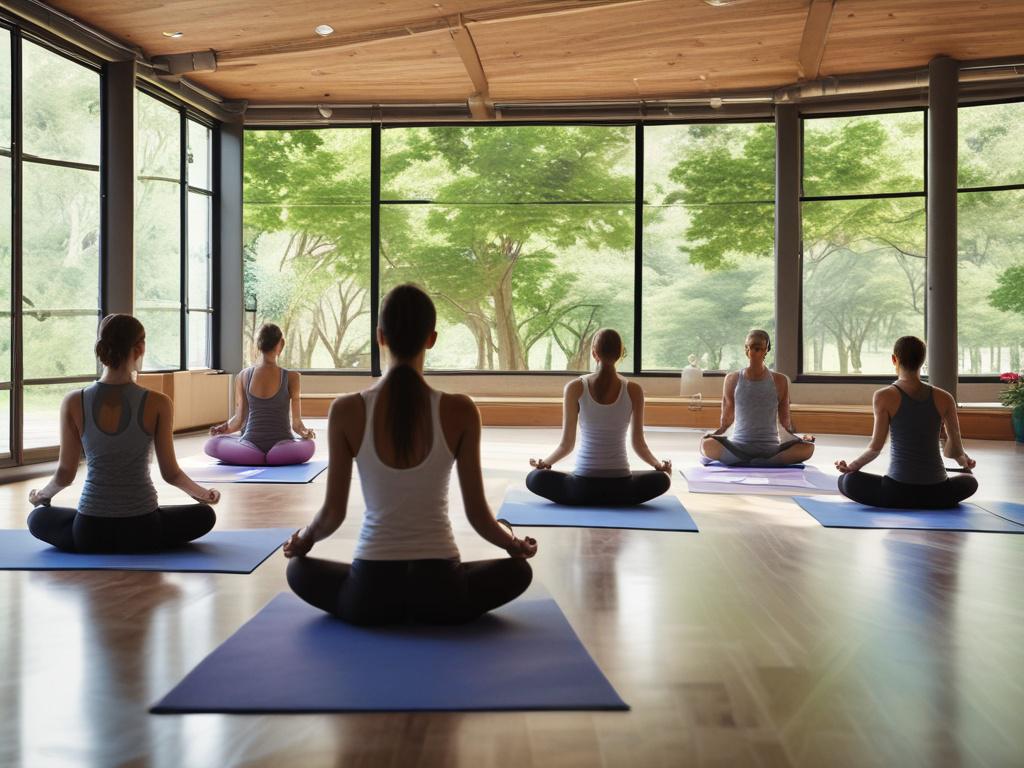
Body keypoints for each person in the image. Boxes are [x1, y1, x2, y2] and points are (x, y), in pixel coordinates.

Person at [283, 284, 536, 625]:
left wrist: (302, 540)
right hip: (443, 595)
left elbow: (332, 514)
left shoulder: (345, 410)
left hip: (369, 597)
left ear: (380, 336)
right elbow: (478, 515)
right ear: (431, 339)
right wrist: (513, 544)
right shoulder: (460, 410)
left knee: (298, 570)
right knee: (519, 572)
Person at [27, 314, 219, 553]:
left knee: (36, 520)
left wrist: (40, 496)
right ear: (140, 348)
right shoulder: (158, 402)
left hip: (89, 532)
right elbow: (170, 473)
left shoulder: (74, 401)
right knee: (204, 516)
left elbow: (65, 474)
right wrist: (203, 495)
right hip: (144, 530)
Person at [526, 328, 672, 506]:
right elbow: (638, 444)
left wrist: (545, 464)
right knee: (661, 480)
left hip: (581, 488)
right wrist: (659, 466)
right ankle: (616, 496)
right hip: (622, 488)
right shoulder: (634, 390)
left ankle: (585, 496)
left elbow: (566, 445)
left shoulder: (574, 388)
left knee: (534, 478)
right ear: (620, 354)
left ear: (594, 353)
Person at [835, 336, 977, 509]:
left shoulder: (883, 396)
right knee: (970, 481)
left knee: (846, 481)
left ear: (894, 359)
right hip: (938, 493)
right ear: (923, 361)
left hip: (896, 491)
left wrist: (851, 467)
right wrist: (964, 462)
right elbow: (955, 449)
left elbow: (875, 448)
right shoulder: (945, 397)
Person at [204, 323, 316, 466]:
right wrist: (306, 433)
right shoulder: (293, 377)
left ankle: (256, 458)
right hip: (282, 448)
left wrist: (224, 428)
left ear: (258, 345)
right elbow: (297, 425)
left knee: (213, 444)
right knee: (309, 445)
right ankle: (272, 458)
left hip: (250, 448)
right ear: (280, 345)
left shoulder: (243, 376)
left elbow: (239, 421)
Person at [700, 329, 815, 467]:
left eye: (757, 348)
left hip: (770, 449)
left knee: (808, 448)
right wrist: (713, 435)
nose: (751, 352)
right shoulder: (732, 379)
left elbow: (786, 423)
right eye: (747, 348)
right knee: (706, 445)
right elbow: (726, 421)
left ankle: (766, 461)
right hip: (739, 446)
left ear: (766, 349)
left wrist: (800, 439)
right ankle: (765, 463)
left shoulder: (780, 380)